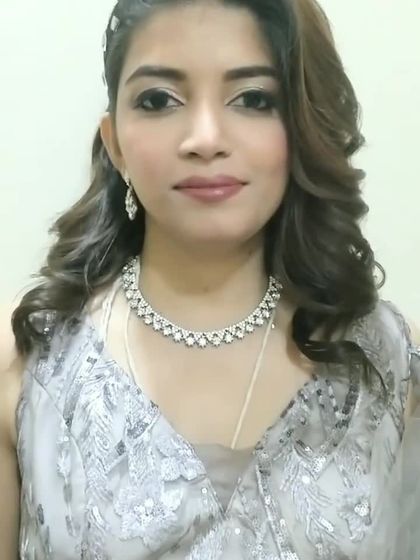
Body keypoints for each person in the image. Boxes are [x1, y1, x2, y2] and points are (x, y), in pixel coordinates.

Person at [1, 0, 419, 558]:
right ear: (115, 142)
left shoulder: (392, 362)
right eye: (158, 100)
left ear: (302, 127)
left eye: (253, 99)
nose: (205, 137)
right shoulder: (27, 357)